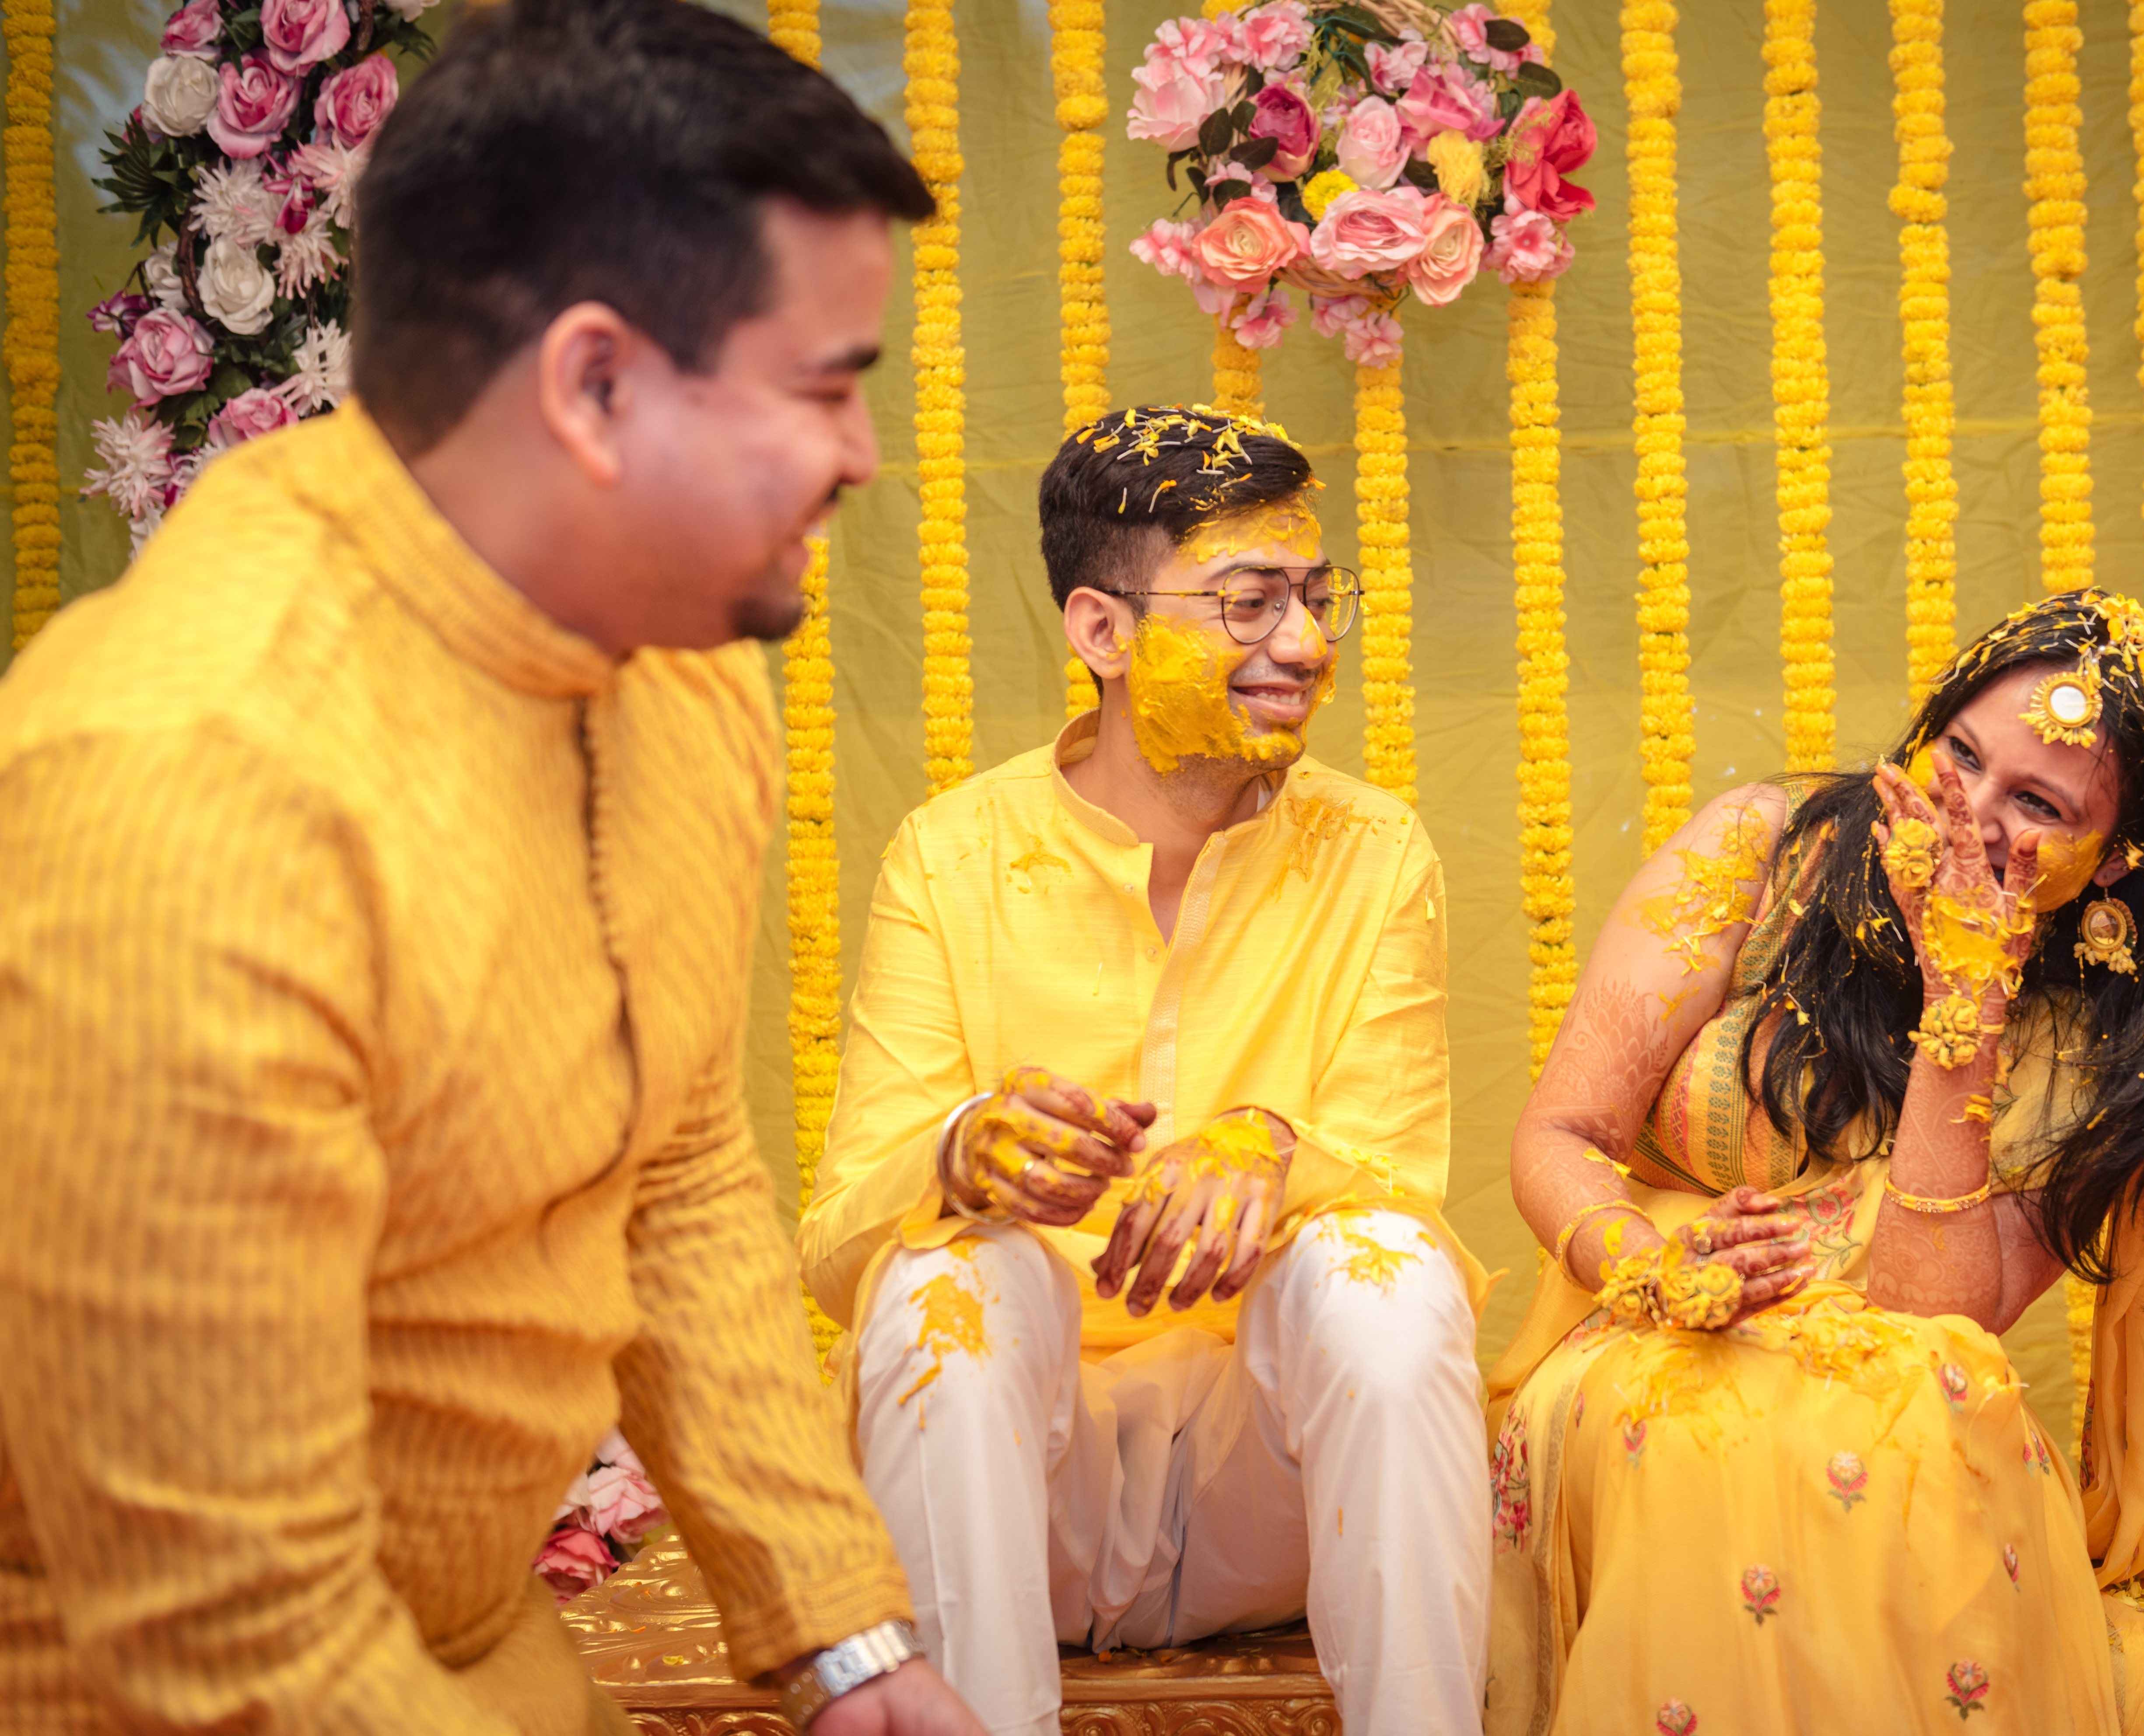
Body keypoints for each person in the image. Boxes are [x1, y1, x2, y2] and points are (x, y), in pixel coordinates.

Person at [0, 1, 983, 1730]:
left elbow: (669, 1150)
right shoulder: (198, 793)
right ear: (595, 385)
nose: (860, 456)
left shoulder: (671, 664)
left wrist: (843, 1636)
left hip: (474, 1650)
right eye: (826, 385)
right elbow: (236, 1644)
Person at [1485, 591, 2144, 1736]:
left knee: (1914, 1411)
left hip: (1903, 1393)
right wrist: (1646, 1265)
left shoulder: (2125, 1056)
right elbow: (1558, 1134)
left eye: (2035, 802)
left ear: (2117, 859)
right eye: (1960, 754)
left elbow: (1933, 1310)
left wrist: (1964, 1002)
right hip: (1650, 1337)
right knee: (1692, 1437)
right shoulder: (1763, 852)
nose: (1968, 813)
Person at [802, 405, 1492, 1736]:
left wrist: (1277, 1148)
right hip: (1011, 1483)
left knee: (1380, 1270)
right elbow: (836, 1244)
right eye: (1245, 604)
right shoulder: (950, 855)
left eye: (1314, 596)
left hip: (1263, 1494)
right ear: (1101, 634)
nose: (1305, 644)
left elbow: (1399, 1171)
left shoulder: (1375, 851)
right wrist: (955, 1154)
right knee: (948, 1270)